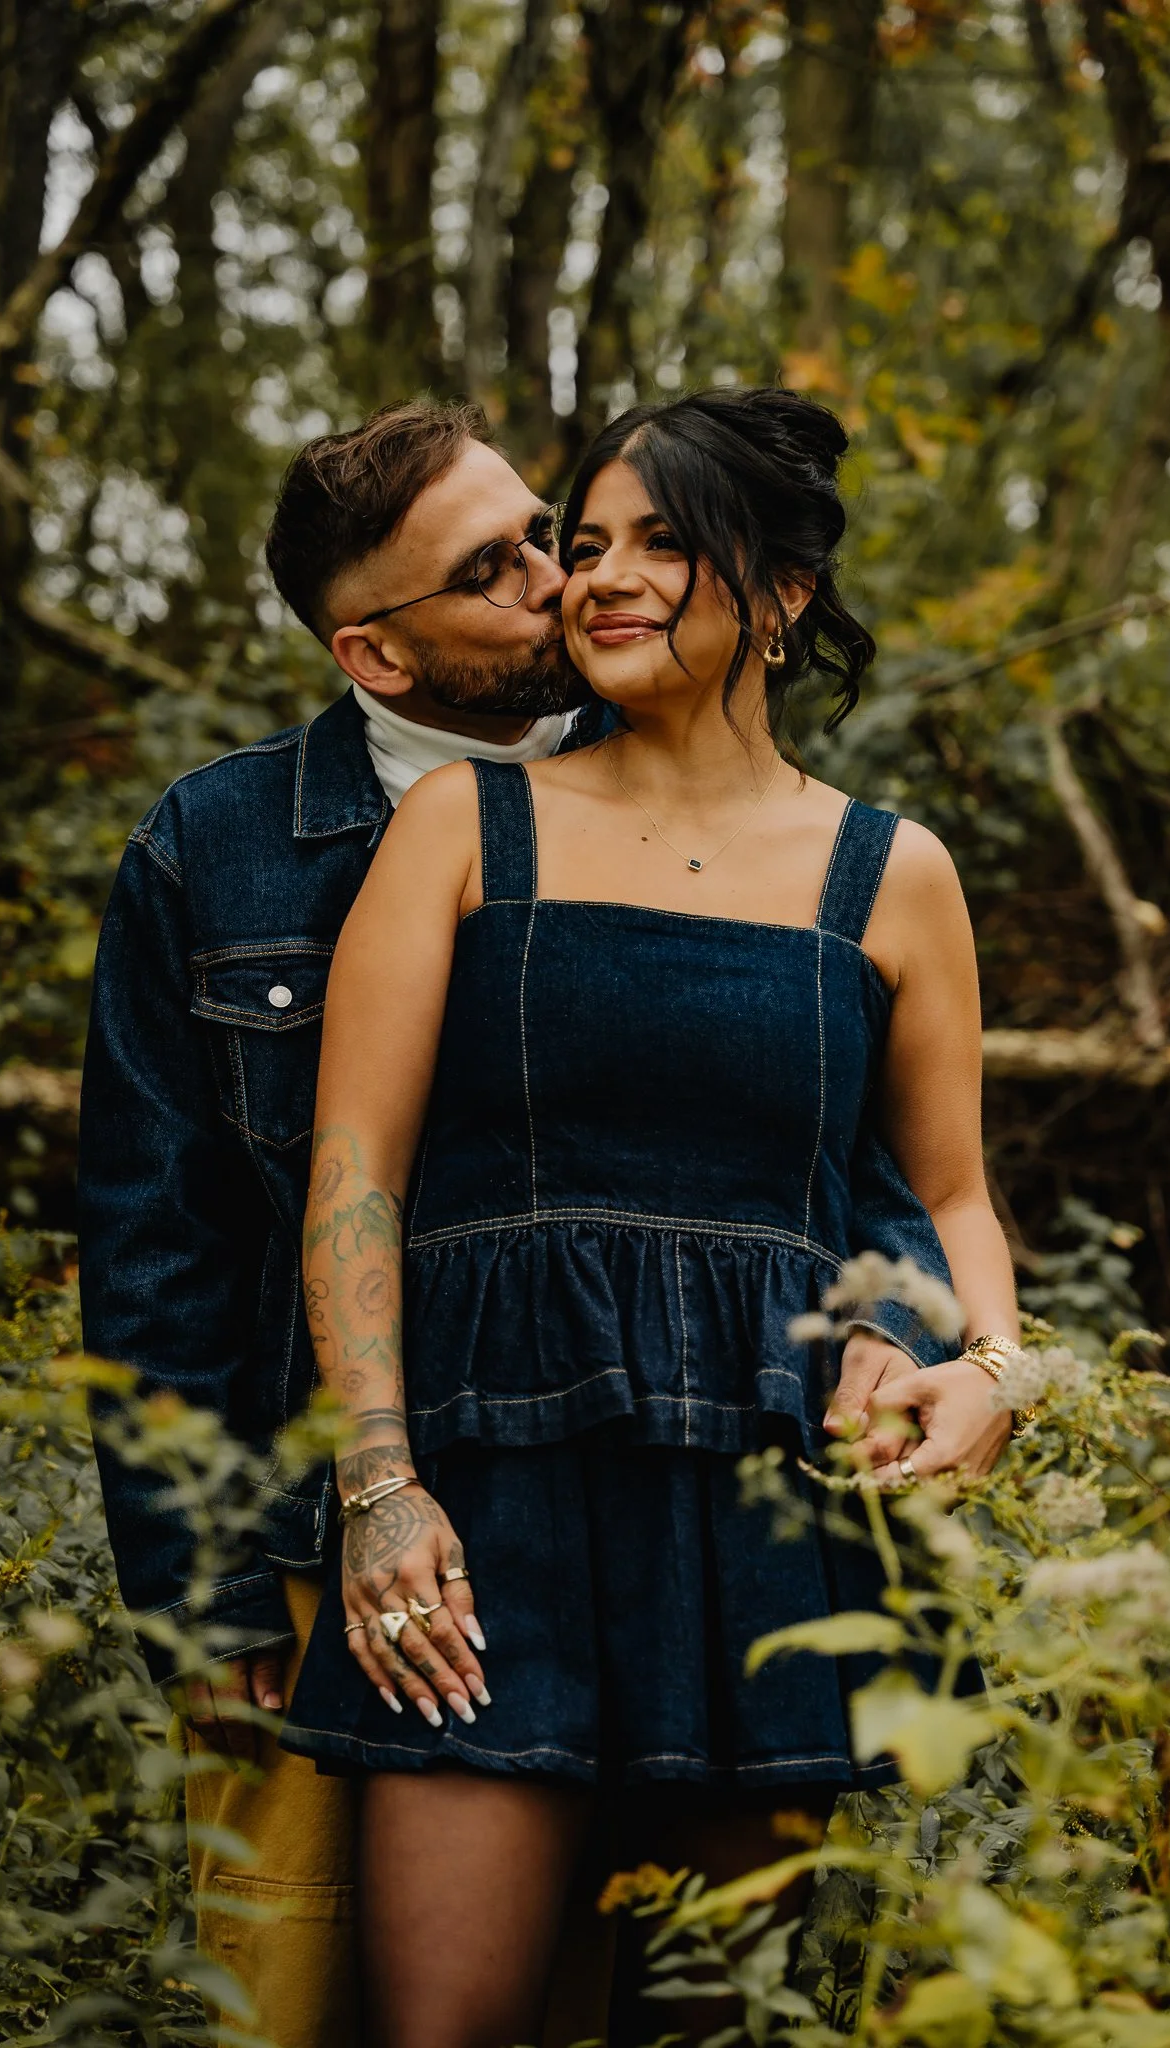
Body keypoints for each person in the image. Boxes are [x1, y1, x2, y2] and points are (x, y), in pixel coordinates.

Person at [280, 386, 1024, 2047]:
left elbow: (952, 1192)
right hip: (486, 1521)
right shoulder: (461, 826)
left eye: (661, 546)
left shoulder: (891, 873)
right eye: (586, 541)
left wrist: (990, 1364)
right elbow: (356, 1175)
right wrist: (380, 1487)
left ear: (778, 597)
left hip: (761, 1527)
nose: (596, 579)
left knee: (715, 2029)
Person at [77, 397, 603, 2048]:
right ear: (374, 656)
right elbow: (154, 1243)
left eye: (546, 526)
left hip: (600, 1517)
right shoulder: (213, 850)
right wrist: (203, 1590)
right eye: (493, 566)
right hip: (309, 1549)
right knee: (282, 1993)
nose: (557, 575)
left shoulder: (691, 806)